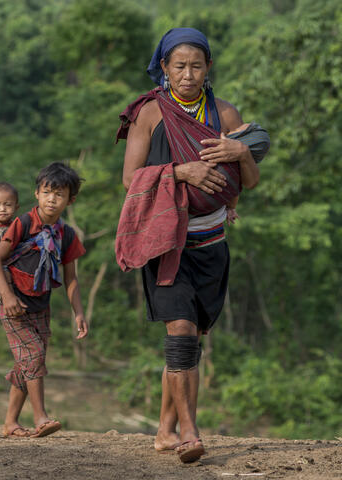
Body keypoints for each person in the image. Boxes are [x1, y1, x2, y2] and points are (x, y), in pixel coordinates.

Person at [115, 28, 268, 463]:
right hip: (166, 240)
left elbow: (251, 181)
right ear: (163, 68)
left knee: (191, 340)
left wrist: (239, 151)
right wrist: (182, 172)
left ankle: (164, 431)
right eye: (178, 66)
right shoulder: (150, 113)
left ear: (209, 68)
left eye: (196, 66)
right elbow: (130, 178)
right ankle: (189, 431)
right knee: (180, 336)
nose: (187, 74)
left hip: (212, 244)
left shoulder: (224, 112)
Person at [0, 162, 89, 438]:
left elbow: (71, 278)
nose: (52, 199)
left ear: (70, 200)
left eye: (59, 194)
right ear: (37, 193)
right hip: (12, 301)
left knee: (28, 363)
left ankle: (10, 423)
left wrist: (78, 313)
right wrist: (8, 296)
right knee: (32, 356)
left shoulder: (67, 234)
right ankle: (41, 417)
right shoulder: (23, 223)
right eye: (47, 192)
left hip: (40, 304)